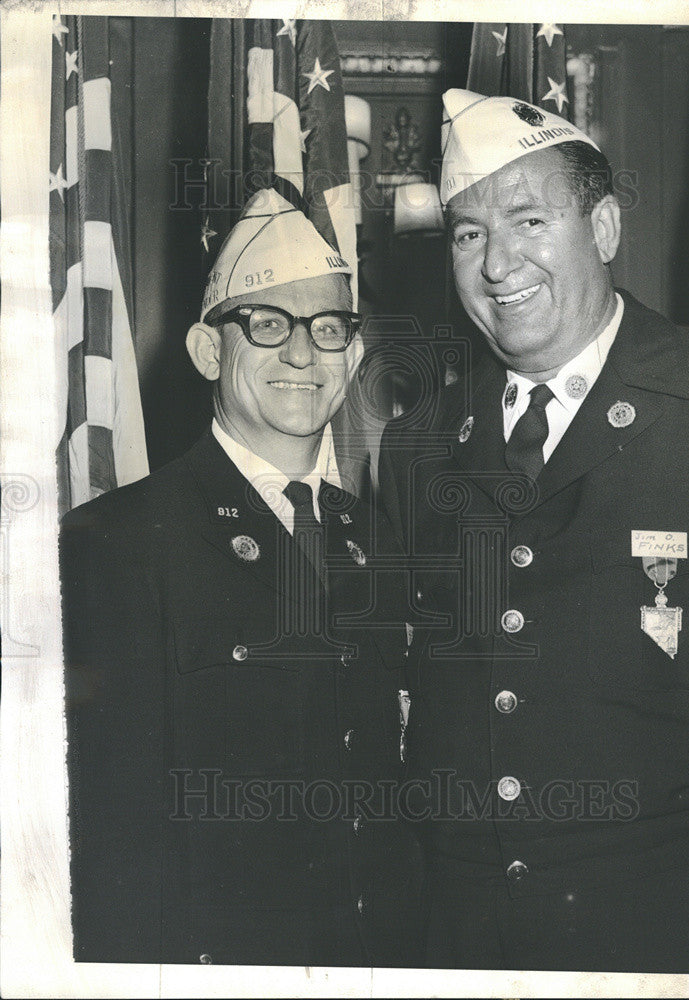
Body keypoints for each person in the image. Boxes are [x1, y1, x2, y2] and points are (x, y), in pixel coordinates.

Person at [378, 89, 689, 973]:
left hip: (678, 937)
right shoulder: (418, 445)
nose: (497, 264)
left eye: (527, 220)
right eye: (469, 233)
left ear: (602, 226)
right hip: (467, 939)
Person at [60, 189, 424, 967]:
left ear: (352, 356)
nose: (302, 353)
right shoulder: (118, 542)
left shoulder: (373, 536)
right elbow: (111, 833)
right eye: (266, 324)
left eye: (328, 328)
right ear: (207, 351)